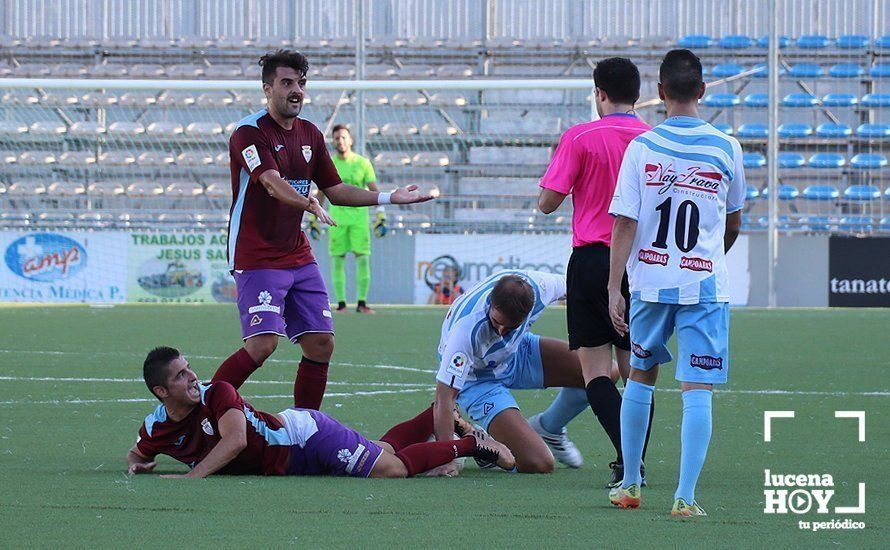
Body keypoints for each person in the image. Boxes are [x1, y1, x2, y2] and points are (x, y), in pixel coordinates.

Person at [216, 50, 433, 412]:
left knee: (320, 342)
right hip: (255, 252)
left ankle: (308, 427)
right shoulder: (248, 132)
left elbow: (336, 191)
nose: (296, 90)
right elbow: (270, 182)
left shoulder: (311, 134)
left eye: (301, 83)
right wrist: (308, 204)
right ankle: (202, 408)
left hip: (295, 252)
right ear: (267, 89)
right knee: (263, 344)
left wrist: (388, 197)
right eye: (287, 83)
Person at [606, 49, 745, 517]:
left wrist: (613, 287)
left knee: (640, 380)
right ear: (702, 91)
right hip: (704, 288)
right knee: (697, 390)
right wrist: (706, 263)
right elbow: (733, 222)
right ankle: (685, 497)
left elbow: (624, 222)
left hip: (650, 284)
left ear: (659, 93)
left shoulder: (642, 148)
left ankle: (629, 485)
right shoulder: (726, 147)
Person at [126, 347, 514, 479]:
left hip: (305, 437)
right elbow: (137, 454)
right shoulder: (156, 426)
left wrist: (193, 476)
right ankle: (432, 418)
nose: (193, 377)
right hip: (292, 459)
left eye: (189, 368)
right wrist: (137, 465)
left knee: (391, 471)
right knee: (383, 453)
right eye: (181, 376)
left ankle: (468, 445)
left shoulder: (219, 393)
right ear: (162, 392)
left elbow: (236, 440)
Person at [537, 57, 654, 487]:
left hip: (592, 260)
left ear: (598, 93)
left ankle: (629, 459)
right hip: (644, 264)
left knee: (596, 372)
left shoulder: (580, 136)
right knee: (637, 370)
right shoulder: (653, 139)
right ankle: (633, 458)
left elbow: (547, 203)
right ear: (638, 94)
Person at [431, 270, 620, 476]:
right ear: (491, 304)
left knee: (606, 372)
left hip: (518, 353)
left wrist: (615, 301)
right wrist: (445, 457)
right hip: (478, 380)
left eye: (510, 327)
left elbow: (580, 287)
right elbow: (443, 398)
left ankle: (549, 427)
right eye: (496, 323)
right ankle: (478, 441)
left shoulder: (541, 287)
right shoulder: (465, 331)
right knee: (540, 463)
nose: (501, 332)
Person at [314, 124, 381, 314]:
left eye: (343, 137)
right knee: (338, 260)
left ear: (350, 140)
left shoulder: (363, 163)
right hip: (337, 220)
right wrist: (313, 218)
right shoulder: (330, 163)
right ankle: (341, 304)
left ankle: (361, 303)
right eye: (336, 138)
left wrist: (381, 216)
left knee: (362, 259)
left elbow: (375, 190)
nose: (340, 141)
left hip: (359, 220)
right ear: (333, 141)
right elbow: (322, 193)